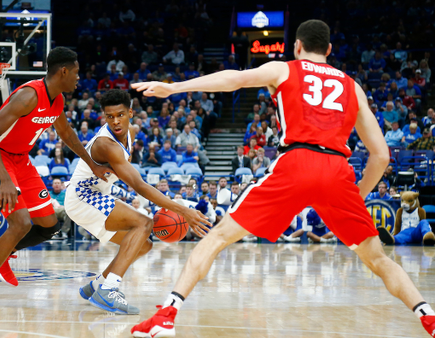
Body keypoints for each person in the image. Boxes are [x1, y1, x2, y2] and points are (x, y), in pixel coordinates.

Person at [131, 19, 435, 337]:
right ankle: (429, 317)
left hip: (297, 161)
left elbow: (233, 80)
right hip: (337, 170)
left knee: (217, 238)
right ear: (329, 50)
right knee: (378, 260)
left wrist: (175, 87)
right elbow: (382, 155)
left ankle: (166, 316)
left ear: (297, 47)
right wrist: (357, 194)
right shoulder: (352, 86)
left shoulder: (285, 69)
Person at [0, 47, 114, 318]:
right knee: (21, 223)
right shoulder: (28, 95)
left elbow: (66, 134)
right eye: (77, 73)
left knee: (49, 225)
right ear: (63, 71)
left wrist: (92, 163)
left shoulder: (56, 101)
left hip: (21, 160)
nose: (80, 79)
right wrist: (5, 179)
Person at [64, 89, 209, 315]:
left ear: (130, 112)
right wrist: (183, 211)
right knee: (144, 224)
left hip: (97, 193)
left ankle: (95, 285)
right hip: (83, 197)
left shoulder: (130, 131)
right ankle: (109, 289)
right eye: (109, 116)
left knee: (143, 245)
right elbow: (139, 185)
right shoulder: (106, 144)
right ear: (103, 116)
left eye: (120, 114)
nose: (115, 121)